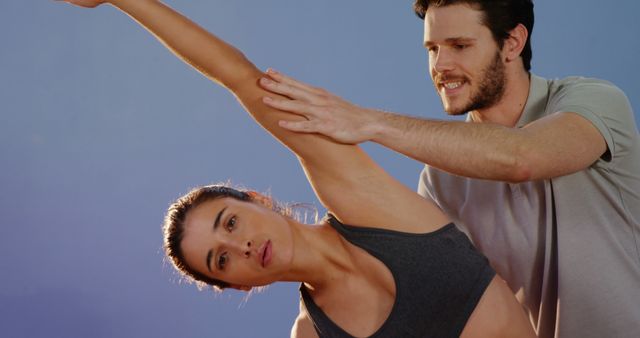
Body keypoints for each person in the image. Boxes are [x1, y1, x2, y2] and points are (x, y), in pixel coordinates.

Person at [58, 0, 537, 337]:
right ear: (238, 285)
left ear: (260, 200)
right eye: (221, 260)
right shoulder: (311, 334)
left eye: (230, 221)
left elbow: (240, 79)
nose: (239, 245)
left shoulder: (360, 203)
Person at [257, 0, 640, 337]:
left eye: (459, 46)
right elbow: (440, 294)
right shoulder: (441, 183)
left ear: (512, 43)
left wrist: (369, 122)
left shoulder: (593, 101)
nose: (441, 65)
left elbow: (522, 158)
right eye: (432, 48)